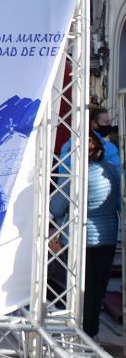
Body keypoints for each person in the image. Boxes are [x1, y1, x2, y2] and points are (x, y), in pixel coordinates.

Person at [50, 131, 120, 338]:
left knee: (80, 289)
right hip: (107, 236)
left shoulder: (75, 176)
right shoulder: (112, 171)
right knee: (98, 288)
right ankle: (93, 331)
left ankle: (81, 332)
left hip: (82, 237)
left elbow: (56, 208)